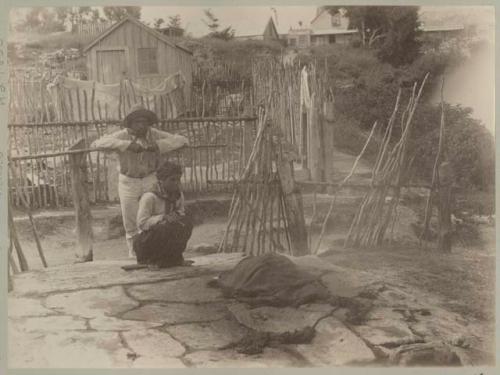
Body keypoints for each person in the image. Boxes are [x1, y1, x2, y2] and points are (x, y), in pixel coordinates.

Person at [91, 104, 188, 258]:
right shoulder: (122, 136)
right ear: (130, 123)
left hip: (150, 178)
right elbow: (97, 143)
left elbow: (182, 140)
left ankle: (152, 250)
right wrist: (127, 145)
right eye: (137, 122)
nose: (141, 125)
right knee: (130, 219)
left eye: (144, 122)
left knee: (151, 215)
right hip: (128, 181)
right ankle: (134, 254)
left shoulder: (153, 134)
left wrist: (157, 145)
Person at [134, 161, 193, 268]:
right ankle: (151, 260)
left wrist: (177, 216)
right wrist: (162, 218)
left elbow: (181, 211)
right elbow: (141, 224)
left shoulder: (178, 195)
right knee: (163, 228)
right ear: (161, 180)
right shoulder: (149, 197)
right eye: (172, 180)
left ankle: (175, 258)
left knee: (186, 224)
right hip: (147, 242)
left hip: (166, 234)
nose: (176, 183)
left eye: (178, 179)